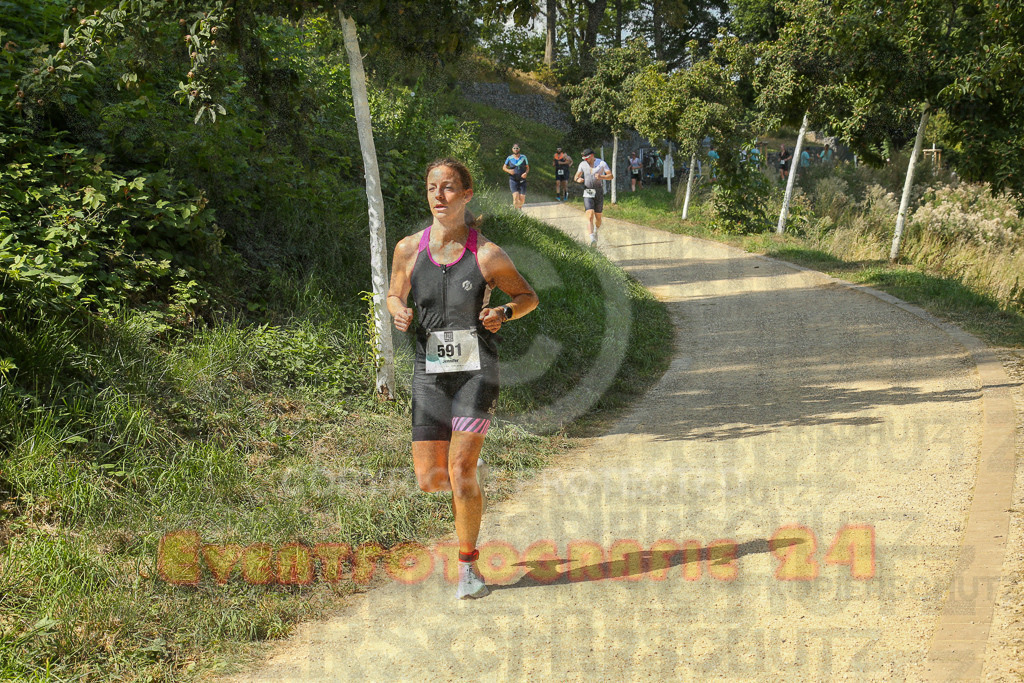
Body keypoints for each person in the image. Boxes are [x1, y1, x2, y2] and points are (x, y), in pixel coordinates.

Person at [387, 158, 539, 600]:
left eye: (449, 187)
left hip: (476, 369)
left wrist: (504, 313)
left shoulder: (487, 254)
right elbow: (395, 293)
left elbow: (527, 296)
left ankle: (469, 568)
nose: (439, 195)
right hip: (429, 370)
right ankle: (468, 473)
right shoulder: (408, 249)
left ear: (467, 195)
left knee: (458, 469)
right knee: (431, 478)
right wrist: (398, 310)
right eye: (432, 187)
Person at [574, 148, 613, 247]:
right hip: (588, 191)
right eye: (583, 158)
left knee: (598, 217)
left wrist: (601, 177)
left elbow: (611, 176)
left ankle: (595, 231)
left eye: (586, 158)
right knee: (590, 214)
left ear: (591, 156)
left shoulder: (601, 163)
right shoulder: (582, 164)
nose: (585, 160)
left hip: (599, 192)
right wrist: (578, 180)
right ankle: (592, 239)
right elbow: (576, 177)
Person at [502, 144, 529, 210]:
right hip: (513, 180)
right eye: (514, 148)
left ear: (519, 149)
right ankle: (516, 212)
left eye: (517, 148)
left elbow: (527, 168)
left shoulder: (523, 157)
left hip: (522, 180)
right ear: (512, 149)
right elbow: (504, 167)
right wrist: (509, 171)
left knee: (522, 199)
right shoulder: (509, 158)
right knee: (515, 197)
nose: (516, 149)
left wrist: (526, 173)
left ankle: (519, 208)